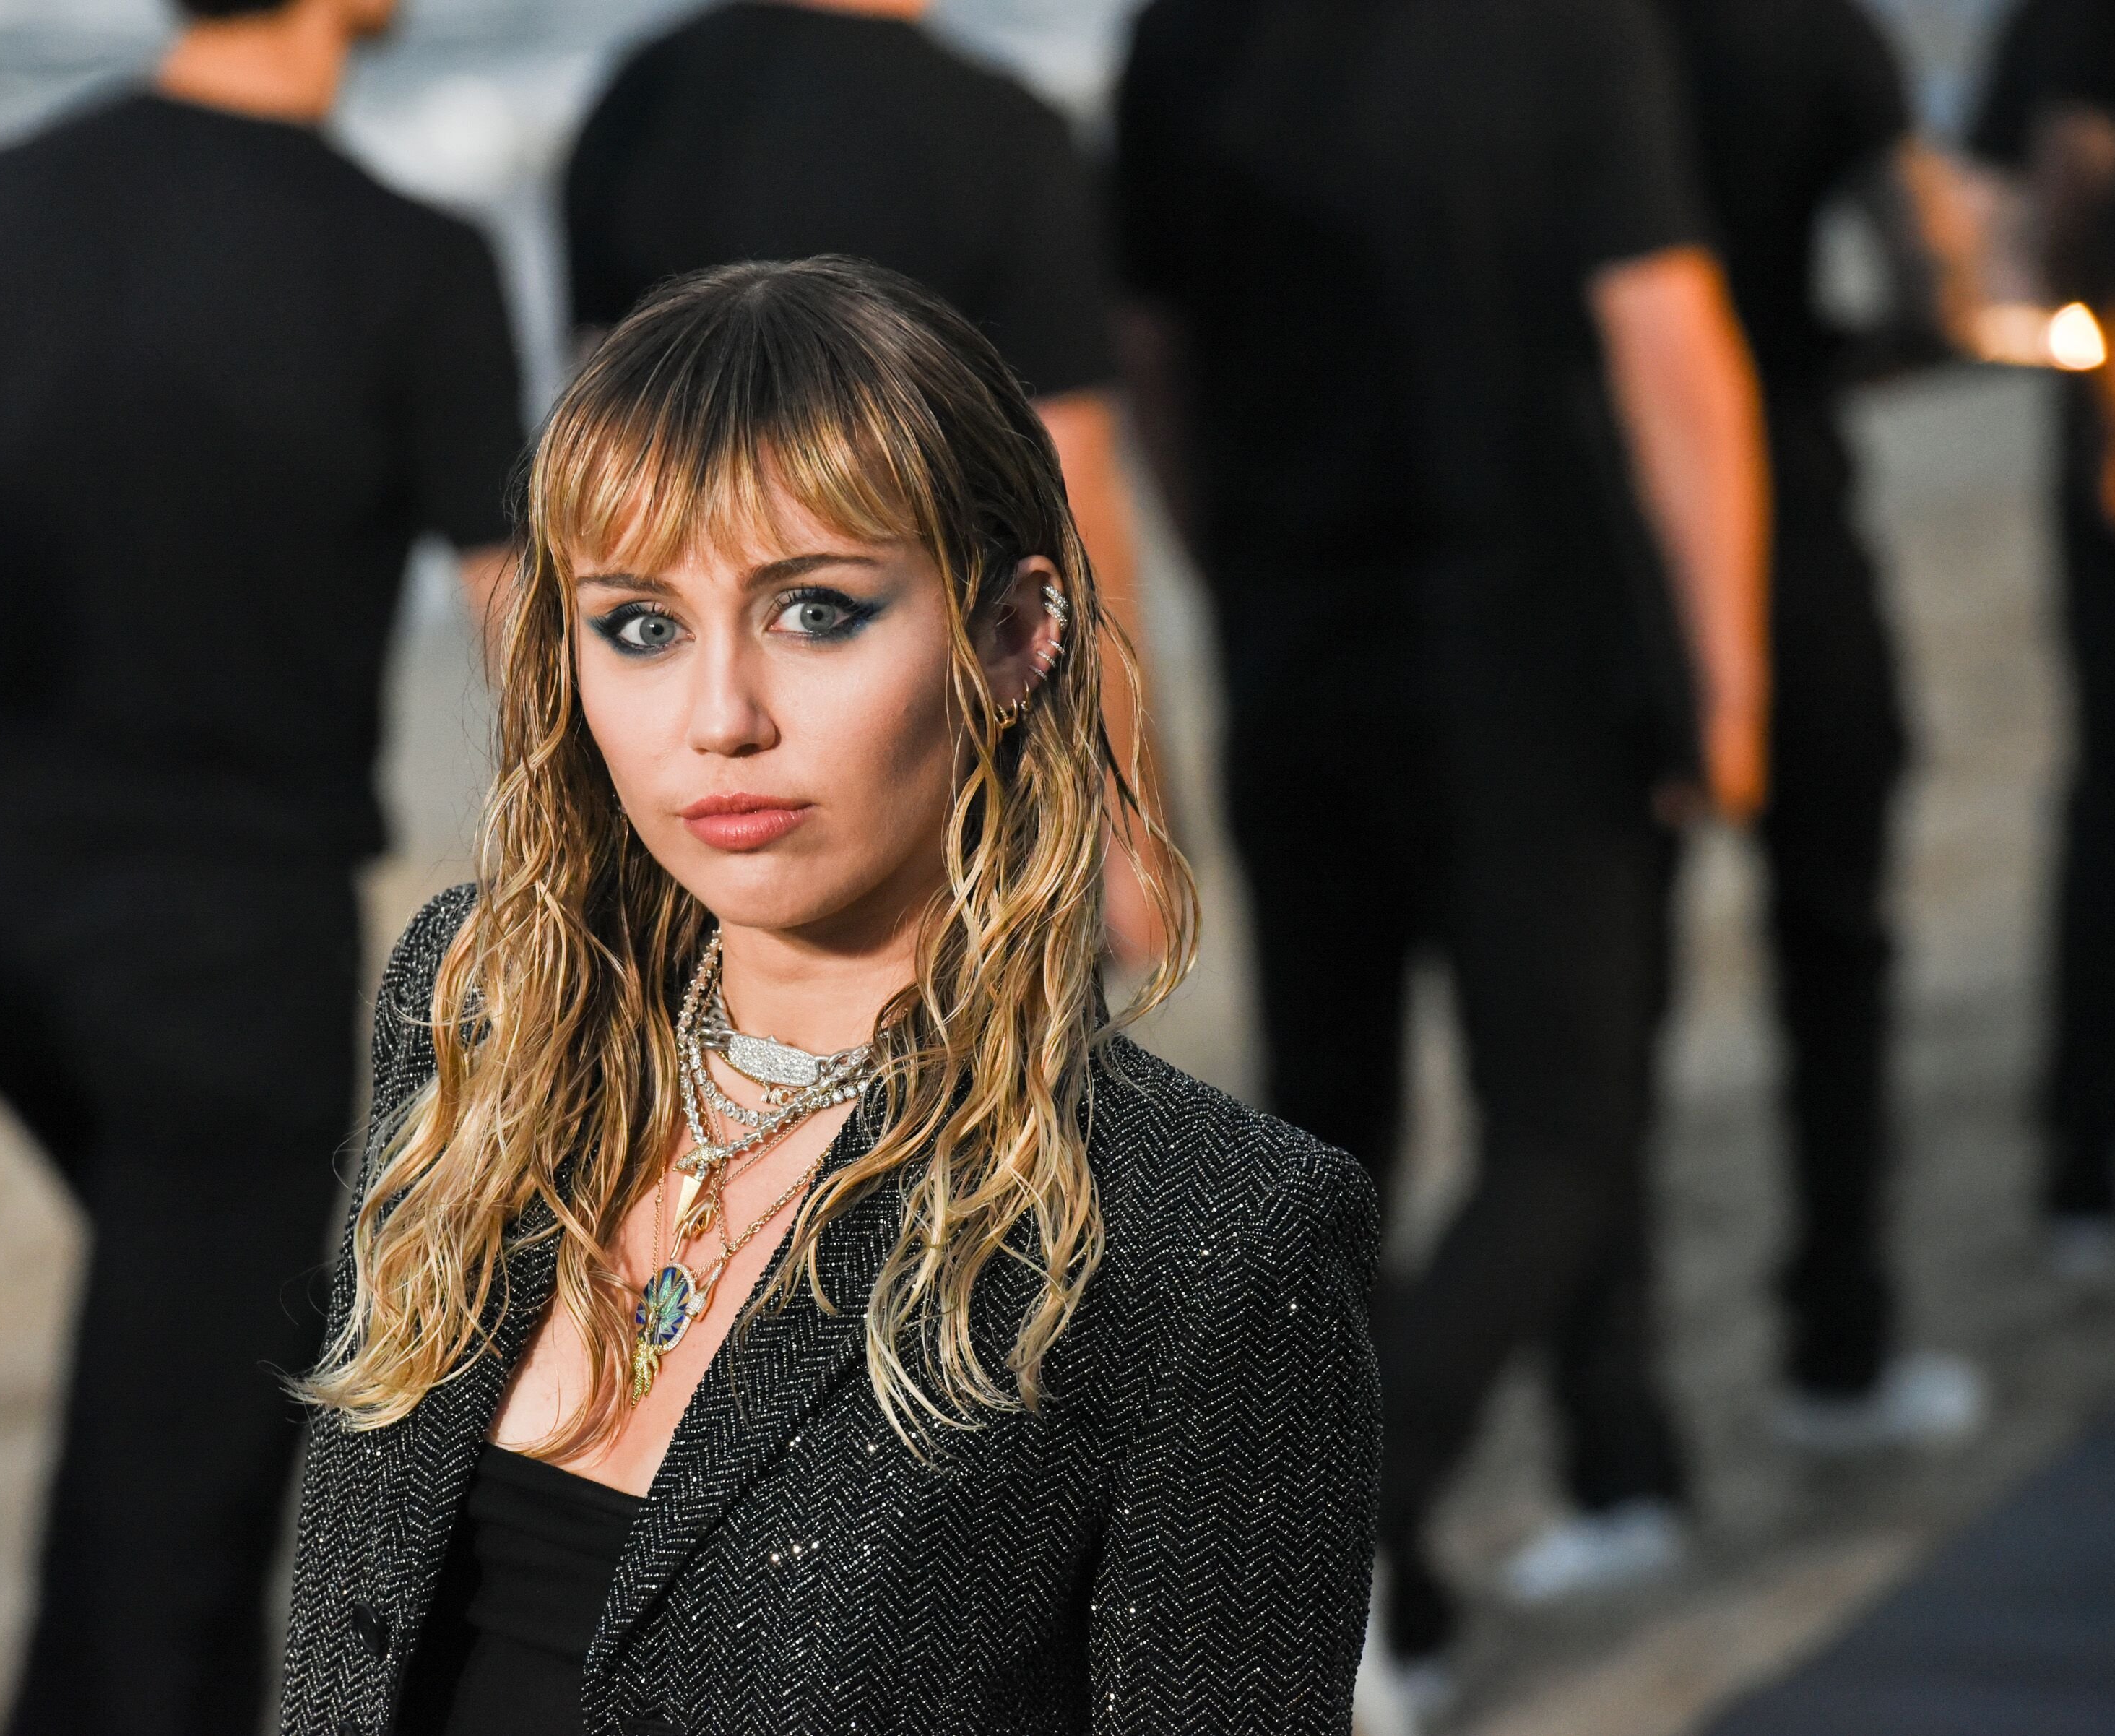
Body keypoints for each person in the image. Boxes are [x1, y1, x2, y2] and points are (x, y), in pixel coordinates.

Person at [272, 259, 1382, 1736]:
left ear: (1011, 634)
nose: (720, 717)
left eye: (815, 610)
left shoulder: (1206, 1243)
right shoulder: (479, 1017)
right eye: (641, 625)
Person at [0, 0, 527, 1727]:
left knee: (177, 1383)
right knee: (177, 1514)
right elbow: (527, 645)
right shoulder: (414, 261)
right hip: (219, 967)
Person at [1112, 0, 1769, 1687]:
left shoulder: (1184, 40)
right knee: (1566, 1129)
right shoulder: (1568, 27)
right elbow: (1667, 341)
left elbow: (1155, 370)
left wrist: (1242, 581)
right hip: (1528, 651)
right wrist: (1731, 671)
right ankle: (1331, 1549)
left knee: (1338, 1136)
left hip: (1296, 647)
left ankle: (1529, 1511)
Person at [556, 0, 1167, 960]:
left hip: (684, 800)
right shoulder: (997, 132)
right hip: (949, 779)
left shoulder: (636, 103)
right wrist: (1128, 828)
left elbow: (601, 484)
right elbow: (1072, 501)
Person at [1632, 0, 1993, 1464]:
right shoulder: (1817, 30)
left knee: (1609, 1022)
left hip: (1610, 541)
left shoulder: (1556, 41)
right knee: (1837, 948)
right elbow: (1943, 275)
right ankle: (1838, 1343)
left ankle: (1619, 1444)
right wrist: (1852, 359)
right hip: (1790, 507)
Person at [2018, 0, 2115, 1277]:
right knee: (2114, 811)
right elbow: (2053, 204)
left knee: (2112, 811)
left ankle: (2086, 1171)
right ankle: (2084, 1162)